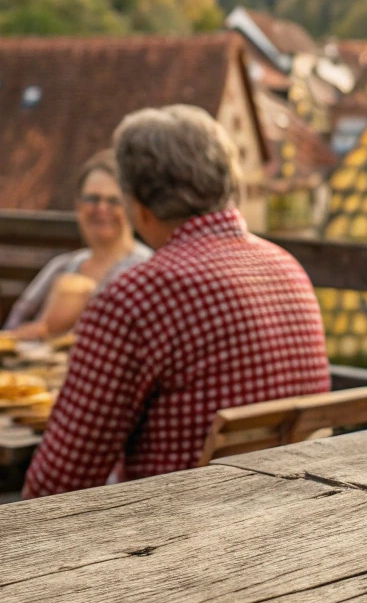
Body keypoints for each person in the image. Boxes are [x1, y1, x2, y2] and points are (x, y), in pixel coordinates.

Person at [23, 105, 329, 498]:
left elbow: (59, 482)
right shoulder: (286, 266)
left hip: (178, 532)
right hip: (291, 513)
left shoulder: (136, 295)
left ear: (139, 206)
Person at [3, 153, 152, 339]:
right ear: (78, 206)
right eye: (92, 199)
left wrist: (46, 331)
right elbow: (11, 326)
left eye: (114, 201)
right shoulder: (63, 266)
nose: (101, 209)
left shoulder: (147, 271)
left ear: (131, 207)